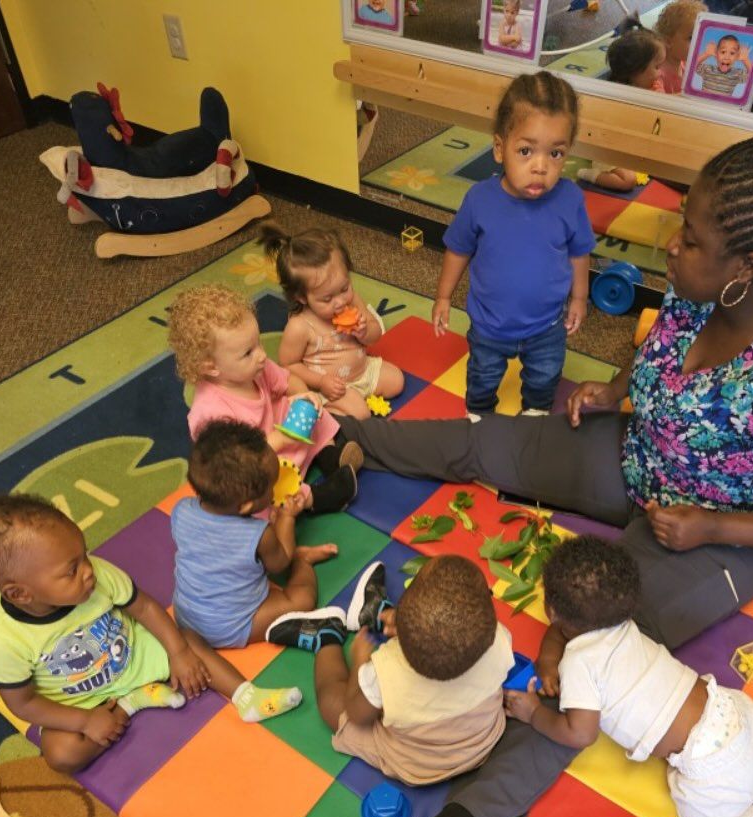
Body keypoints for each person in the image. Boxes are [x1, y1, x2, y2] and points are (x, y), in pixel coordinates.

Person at [335, 127, 753, 817]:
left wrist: (711, 526)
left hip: (722, 534)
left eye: (692, 238)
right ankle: (352, 449)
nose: (671, 245)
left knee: (595, 660)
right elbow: (657, 345)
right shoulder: (697, 282)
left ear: (748, 266)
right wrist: (612, 391)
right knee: (495, 444)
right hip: (641, 457)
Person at [505, 536, 753, 817]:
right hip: (738, 710)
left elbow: (580, 732)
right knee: (747, 748)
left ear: (551, 610)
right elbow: (561, 632)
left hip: (716, 768)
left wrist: (534, 711)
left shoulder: (579, 663)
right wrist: (548, 663)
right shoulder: (621, 621)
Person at [0, 495, 304, 775]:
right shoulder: (3, 641)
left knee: (189, 639)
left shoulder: (97, 575)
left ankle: (245, 697)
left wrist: (178, 653)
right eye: (71, 570)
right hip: (80, 701)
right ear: (20, 594)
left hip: (137, 654)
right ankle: (133, 702)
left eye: (84, 554)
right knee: (61, 755)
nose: (88, 570)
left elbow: (145, 609)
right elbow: (24, 703)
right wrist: (84, 722)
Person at [266, 556, 515, 785]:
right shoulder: (500, 638)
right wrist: (407, 624)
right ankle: (375, 612)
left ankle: (326, 636)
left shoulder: (385, 671)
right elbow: (454, 634)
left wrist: (360, 662)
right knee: (441, 630)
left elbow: (357, 713)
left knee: (333, 705)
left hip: (415, 764)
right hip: (481, 742)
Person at [433, 71, 596, 418]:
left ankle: (534, 413)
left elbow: (579, 251)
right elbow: (458, 249)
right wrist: (444, 296)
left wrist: (579, 297)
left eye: (555, 153)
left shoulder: (570, 199)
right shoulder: (480, 199)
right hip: (490, 325)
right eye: (525, 150)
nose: (540, 167)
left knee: (544, 378)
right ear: (498, 148)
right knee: (482, 377)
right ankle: (479, 415)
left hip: (547, 325)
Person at [169, 283, 360, 514]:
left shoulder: (255, 367)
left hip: (282, 428)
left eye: (258, 342)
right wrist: (280, 439)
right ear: (211, 367)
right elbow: (239, 464)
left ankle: (329, 455)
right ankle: (317, 499)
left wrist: (303, 396)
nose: (261, 355)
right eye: (248, 353)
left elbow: (287, 381)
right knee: (260, 495)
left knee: (314, 413)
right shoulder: (210, 414)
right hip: (260, 457)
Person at [171, 420, 344, 649]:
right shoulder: (258, 534)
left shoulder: (181, 510)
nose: (274, 490)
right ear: (245, 506)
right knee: (302, 599)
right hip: (229, 626)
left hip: (185, 617)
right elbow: (280, 563)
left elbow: (216, 548)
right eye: (271, 486)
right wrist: (287, 518)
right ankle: (304, 561)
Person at [260, 225, 404, 420]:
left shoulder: (352, 301)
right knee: (360, 414)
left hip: (362, 370)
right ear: (302, 297)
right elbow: (288, 366)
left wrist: (364, 332)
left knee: (397, 381)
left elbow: (376, 335)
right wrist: (321, 382)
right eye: (327, 299)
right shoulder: (300, 326)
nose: (340, 302)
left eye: (344, 288)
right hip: (329, 386)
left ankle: (356, 398)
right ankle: (324, 411)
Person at [577, 28, 667, 192]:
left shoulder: (651, 86)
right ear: (635, 71)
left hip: (632, 146)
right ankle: (589, 174)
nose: (661, 73)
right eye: (657, 67)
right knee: (627, 181)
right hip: (609, 149)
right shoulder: (620, 97)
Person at [655, 0, 708, 93]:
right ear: (668, 41)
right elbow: (659, 102)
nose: (699, 43)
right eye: (691, 38)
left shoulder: (685, 62)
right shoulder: (657, 73)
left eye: (701, 35)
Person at [694, 33, 752, 97]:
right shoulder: (708, 68)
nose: (727, 57)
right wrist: (706, 54)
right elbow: (692, 65)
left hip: (722, 106)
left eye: (732, 53)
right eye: (723, 52)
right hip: (703, 103)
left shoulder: (737, 74)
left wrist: (745, 59)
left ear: (737, 57)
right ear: (716, 53)